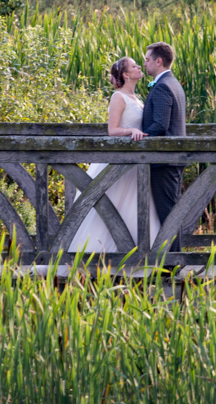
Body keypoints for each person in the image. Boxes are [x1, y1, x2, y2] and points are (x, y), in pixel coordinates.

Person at [67, 57, 160, 252]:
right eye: (134, 66)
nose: (138, 67)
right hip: (119, 162)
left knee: (133, 209)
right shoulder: (118, 97)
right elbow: (112, 130)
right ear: (126, 75)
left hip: (135, 163)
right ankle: (99, 255)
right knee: (110, 208)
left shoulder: (136, 98)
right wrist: (130, 132)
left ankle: (136, 255)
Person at [141, 41, 186, 246]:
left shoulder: (163, 87)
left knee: (167, 213)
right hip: (172, 157)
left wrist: (140, 139)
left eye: (147, 59)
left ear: (158, 61)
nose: (144, 64)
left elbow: (160, 124)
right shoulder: (173, 83)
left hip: (164, 159)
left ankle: (174, 263)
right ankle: (174, 259)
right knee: (170, 210)